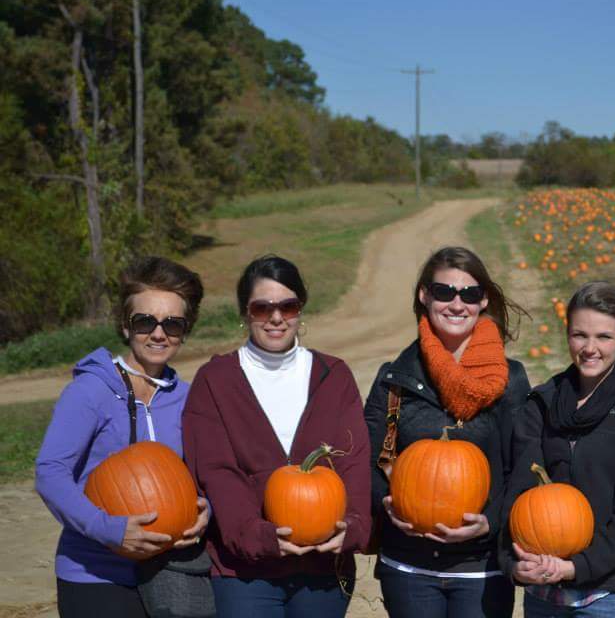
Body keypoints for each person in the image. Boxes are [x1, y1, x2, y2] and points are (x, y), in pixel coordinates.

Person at [182, 255, 370, 618]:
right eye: (262, 308)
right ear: (245, 312)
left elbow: (354, 461)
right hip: (244, 573)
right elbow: (216, 472)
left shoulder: (334, 376)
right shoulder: (215, 381)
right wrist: (259, 537)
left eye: (288, 306)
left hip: (323, 568)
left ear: (301, 309)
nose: (276, 317)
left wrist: (354, 527)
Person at [36, 256, 209, 618]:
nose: (158, 334)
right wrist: (111, 530)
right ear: (125, 326)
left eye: (172, 324)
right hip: (97, 574)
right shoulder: (90, 391)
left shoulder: (188, 398)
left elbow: (203, 473)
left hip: (171, 573)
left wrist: (206, 509)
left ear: (185, 330)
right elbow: (50, 472)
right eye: (145, 321)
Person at [365, 246, 531, 618]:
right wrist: (385, 502)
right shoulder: (395, 378)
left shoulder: (511, 380)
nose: (457, 304)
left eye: (470, 294)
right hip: (408, 566)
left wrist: (491, 522)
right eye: (444, 292)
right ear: (424, 296)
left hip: (482, 568)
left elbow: (524, 466)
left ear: (483, 300)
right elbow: (368, 461)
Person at [501, 280, 615, 618]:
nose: (590, 348)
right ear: (568, 335)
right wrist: (513, 563)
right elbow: (517, 493)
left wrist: (577, 567)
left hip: (611, 597)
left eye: (604, 337)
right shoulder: (542, 403)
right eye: (580, 335)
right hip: (544, 595)